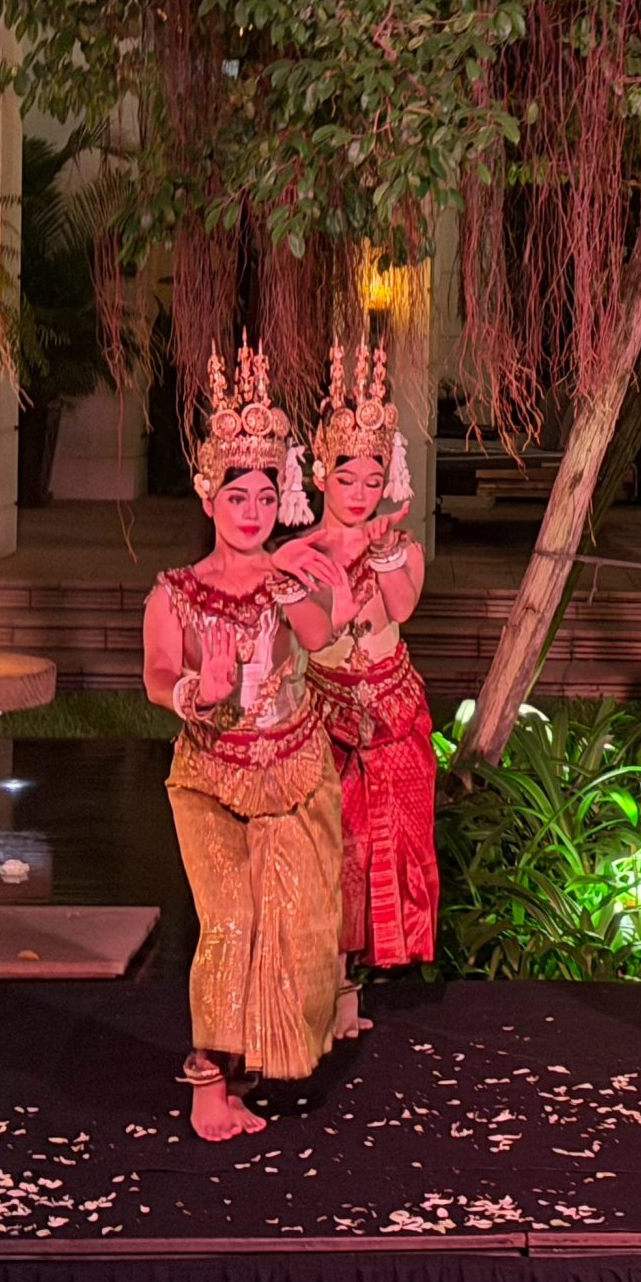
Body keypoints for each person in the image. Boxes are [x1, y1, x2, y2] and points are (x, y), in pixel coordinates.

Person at [139, 343, 342, 1144]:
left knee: (292, 920)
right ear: (207, 494)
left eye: (265, 494)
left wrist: (301, 590)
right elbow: (158, 673)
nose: (252, 509)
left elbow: (321, 635)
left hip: (293, 768)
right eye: (236, 494)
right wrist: (201, 690)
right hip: (210, 775)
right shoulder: (176, 592)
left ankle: (253, 1056)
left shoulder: (287, 581)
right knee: (228, 916)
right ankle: (209, 1082)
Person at [275, 339, 435, 1041]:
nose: (362, 491)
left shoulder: (404, 548)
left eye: (374, 478)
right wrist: (328, 570)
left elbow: (401, 606)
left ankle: (355, 988)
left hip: (395, 712)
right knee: (334, 854)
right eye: (348, 478)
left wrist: (385, 551)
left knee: (386, 854)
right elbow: (314, 637)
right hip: (329, 717)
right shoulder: (298, 559)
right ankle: (330, 990)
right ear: (320, 475)